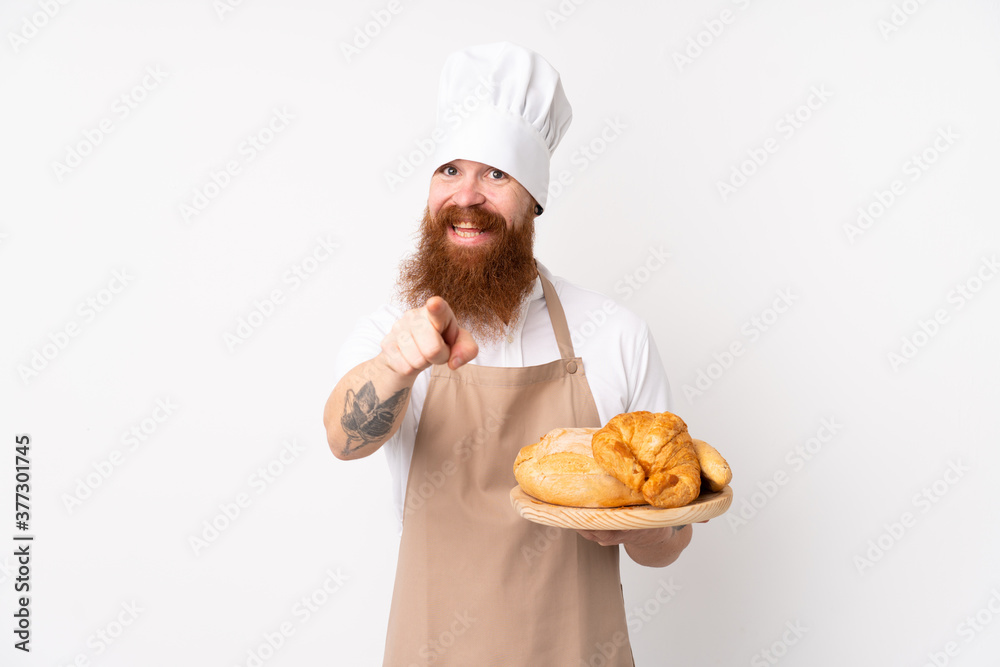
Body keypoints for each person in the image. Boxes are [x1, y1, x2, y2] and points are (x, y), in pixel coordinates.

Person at [324, 42, 692, 666]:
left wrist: (644, 522)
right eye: (450, 170)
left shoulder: (614, 334)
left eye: (496, 174)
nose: (466, 196)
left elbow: (667, 542)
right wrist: (395, 368)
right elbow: (344, 439)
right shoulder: (393, 334)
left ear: (534, 200)